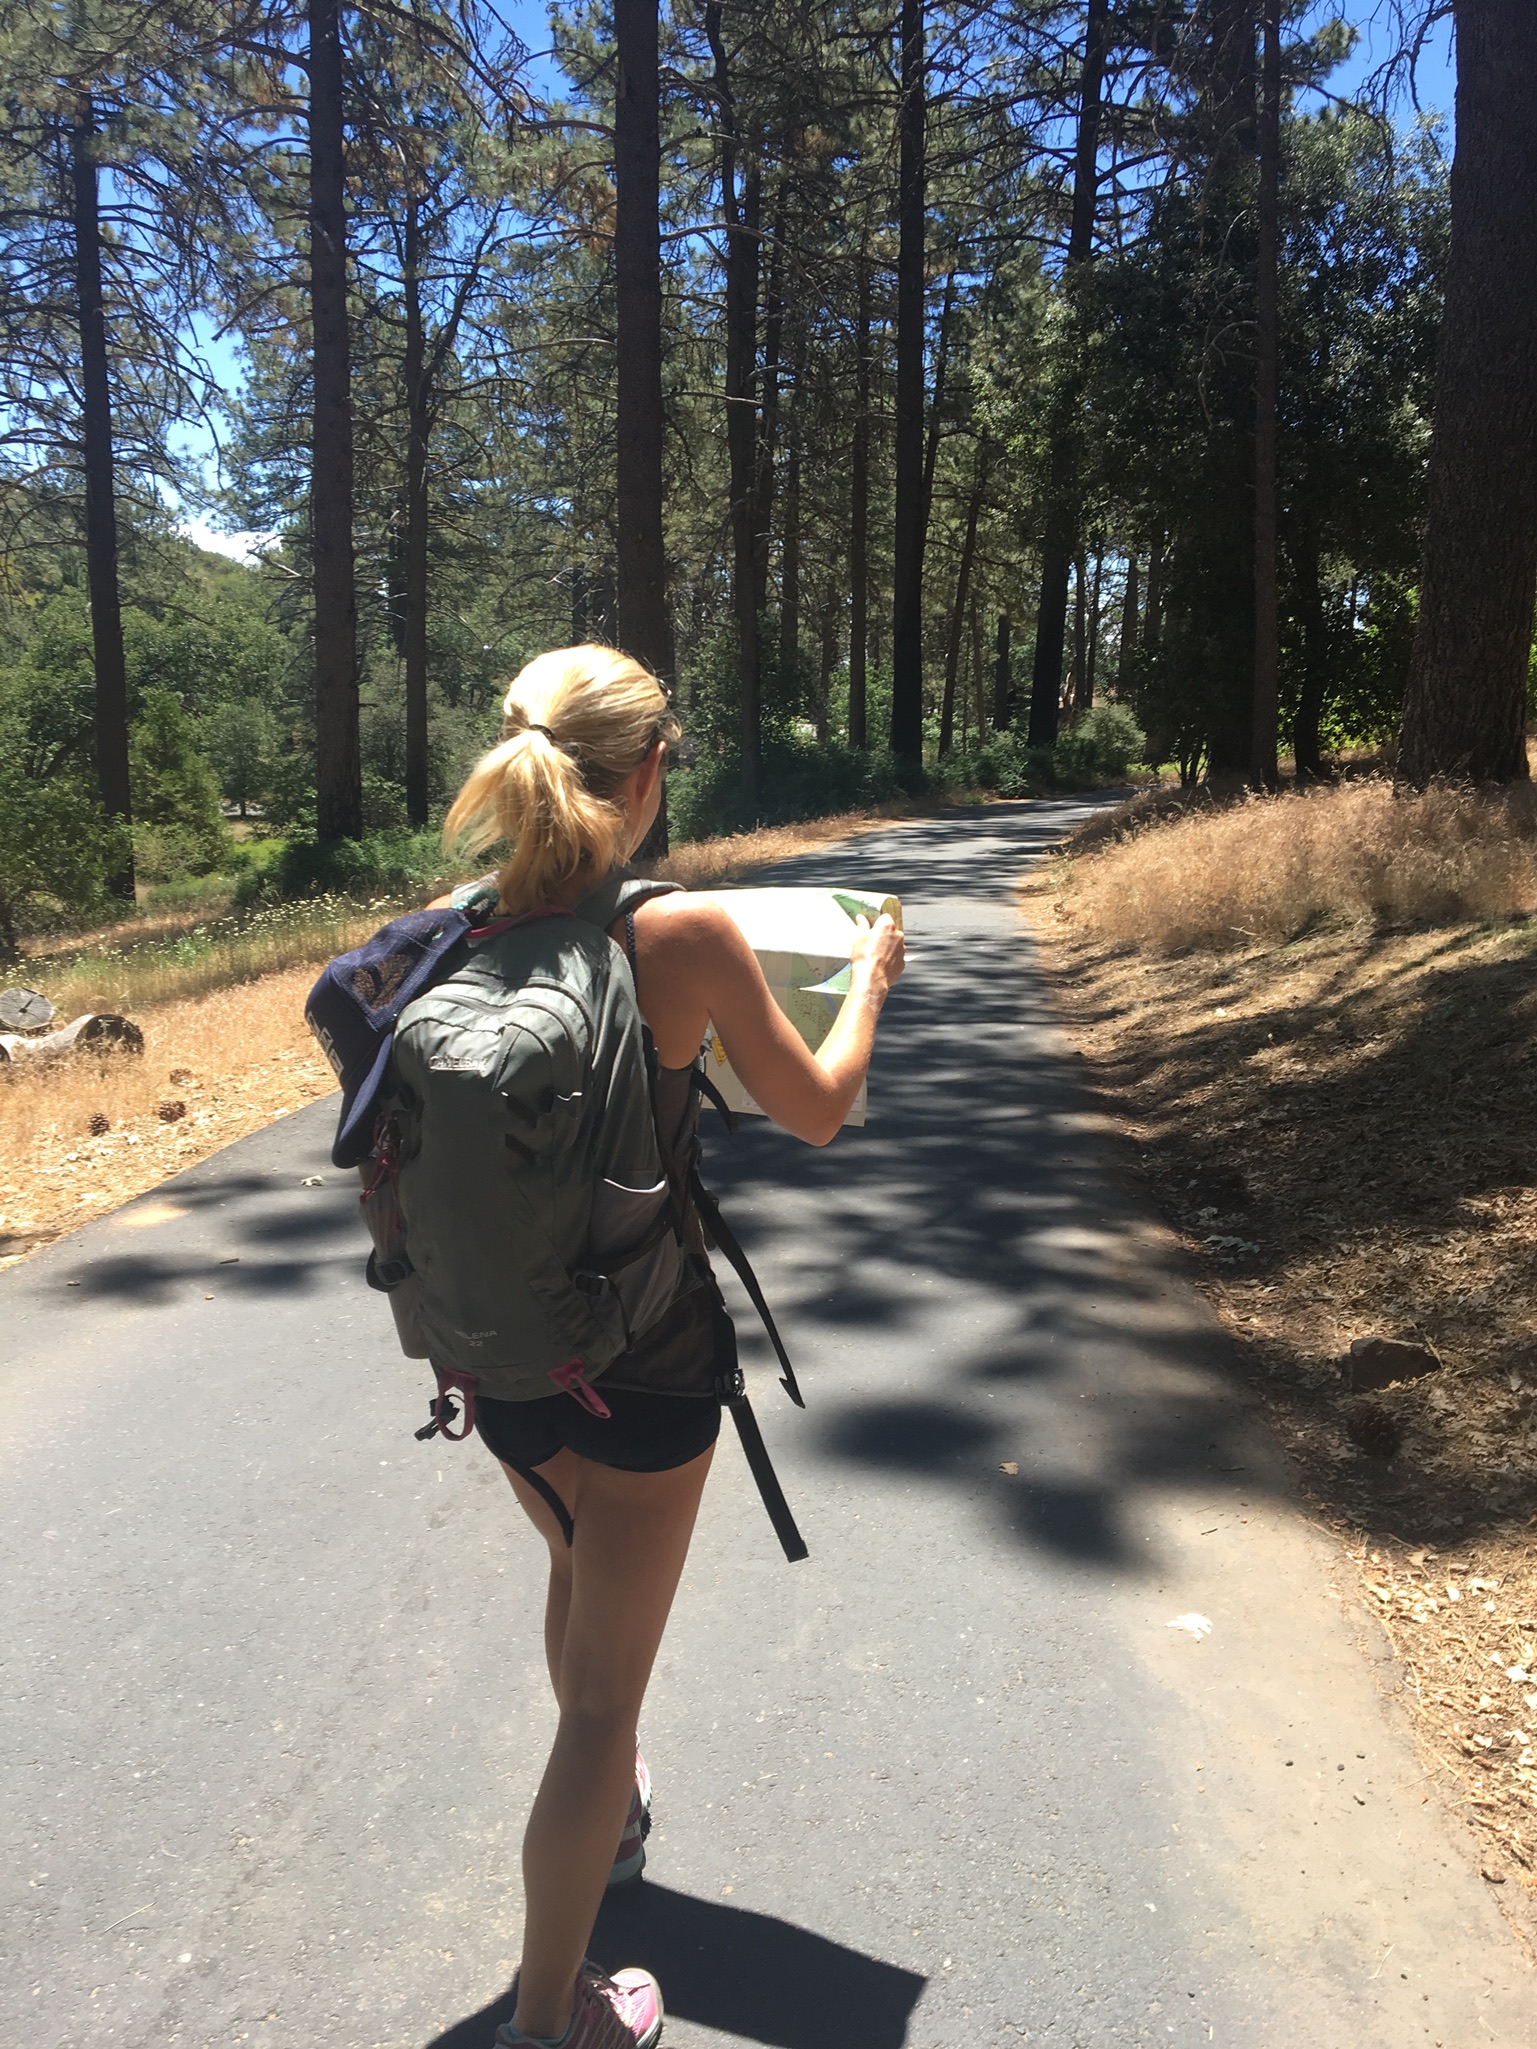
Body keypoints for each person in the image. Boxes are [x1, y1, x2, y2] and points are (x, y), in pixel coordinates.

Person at [431, 645, 905, 2049]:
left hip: (496, 1354)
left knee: (576, 1569)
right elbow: (814, 1108)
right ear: (646, 775)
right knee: (599, 1706)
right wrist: (869, 973)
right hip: (641, 1364)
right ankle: (549, 2018)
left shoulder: (456, 928)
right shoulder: (682, 936)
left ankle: (612, 1818)